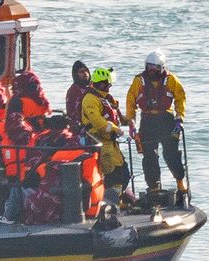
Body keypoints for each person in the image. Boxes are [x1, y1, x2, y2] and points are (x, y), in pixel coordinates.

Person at [125, 49, 188, 206]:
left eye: (155, 68)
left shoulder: (171, 80)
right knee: (149, 156)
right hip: (147, 121)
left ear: (162, 68)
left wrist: (179, 118)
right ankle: (154, 188)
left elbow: (180, 97)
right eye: (149, 67)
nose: (152, 71)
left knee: (171, 154)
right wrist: (131, 122)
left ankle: (181, 186)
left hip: (166, 120)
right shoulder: (139, 81)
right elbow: (130, 100)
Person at [78, 68, 132, 206]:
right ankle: (107, 205)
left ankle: (115, 202)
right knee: (112, 177)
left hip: (111, 144)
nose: (109, 87)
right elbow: (98, 122)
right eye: (107, 85)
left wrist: (129, 121)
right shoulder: (89, 99)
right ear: (100, 84)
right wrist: (115, 129)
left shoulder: (107, 98)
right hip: (100, 142)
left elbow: (117, 116)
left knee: (124, 174)